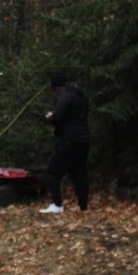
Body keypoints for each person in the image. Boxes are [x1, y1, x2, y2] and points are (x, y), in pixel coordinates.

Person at [40, 73, 90, 213]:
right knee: (79, 173)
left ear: (59, 87)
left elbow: (57, 118)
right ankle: (83, 207)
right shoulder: (82, 96)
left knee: (52, 173)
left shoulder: (66, 96)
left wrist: (50, 116)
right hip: (84, 139)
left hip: (69, 140)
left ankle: (57, 205)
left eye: (55, 90)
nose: (56, 93)